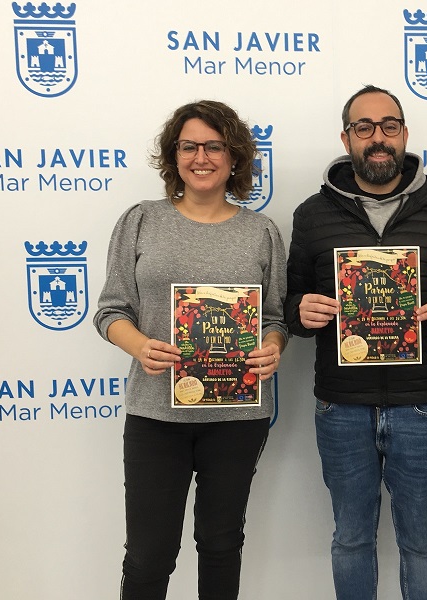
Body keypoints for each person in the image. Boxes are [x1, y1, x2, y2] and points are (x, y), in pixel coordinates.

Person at [285, 84, 427, 600]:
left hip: (423, 406)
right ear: (346, 138)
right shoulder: (312, 214)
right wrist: (301, 312)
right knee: (350, 540)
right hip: (341, 406)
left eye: (389, 126)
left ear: (404, 134)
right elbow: (289, 305)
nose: (378, 137)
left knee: (422, 542)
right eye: (364, 127)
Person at [93, 100, 287, 600]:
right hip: (155, 415)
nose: (201, 157)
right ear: (173, 156)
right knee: (148, 555)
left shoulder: (262, 231)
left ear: (234, 156)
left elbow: (274, 318)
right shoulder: (141, 221)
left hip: (237, 416)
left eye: (214, 146)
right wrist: (140, 346)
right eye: (189, 146)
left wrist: (272, 346)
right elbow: (111, 311)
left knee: (221, 545)